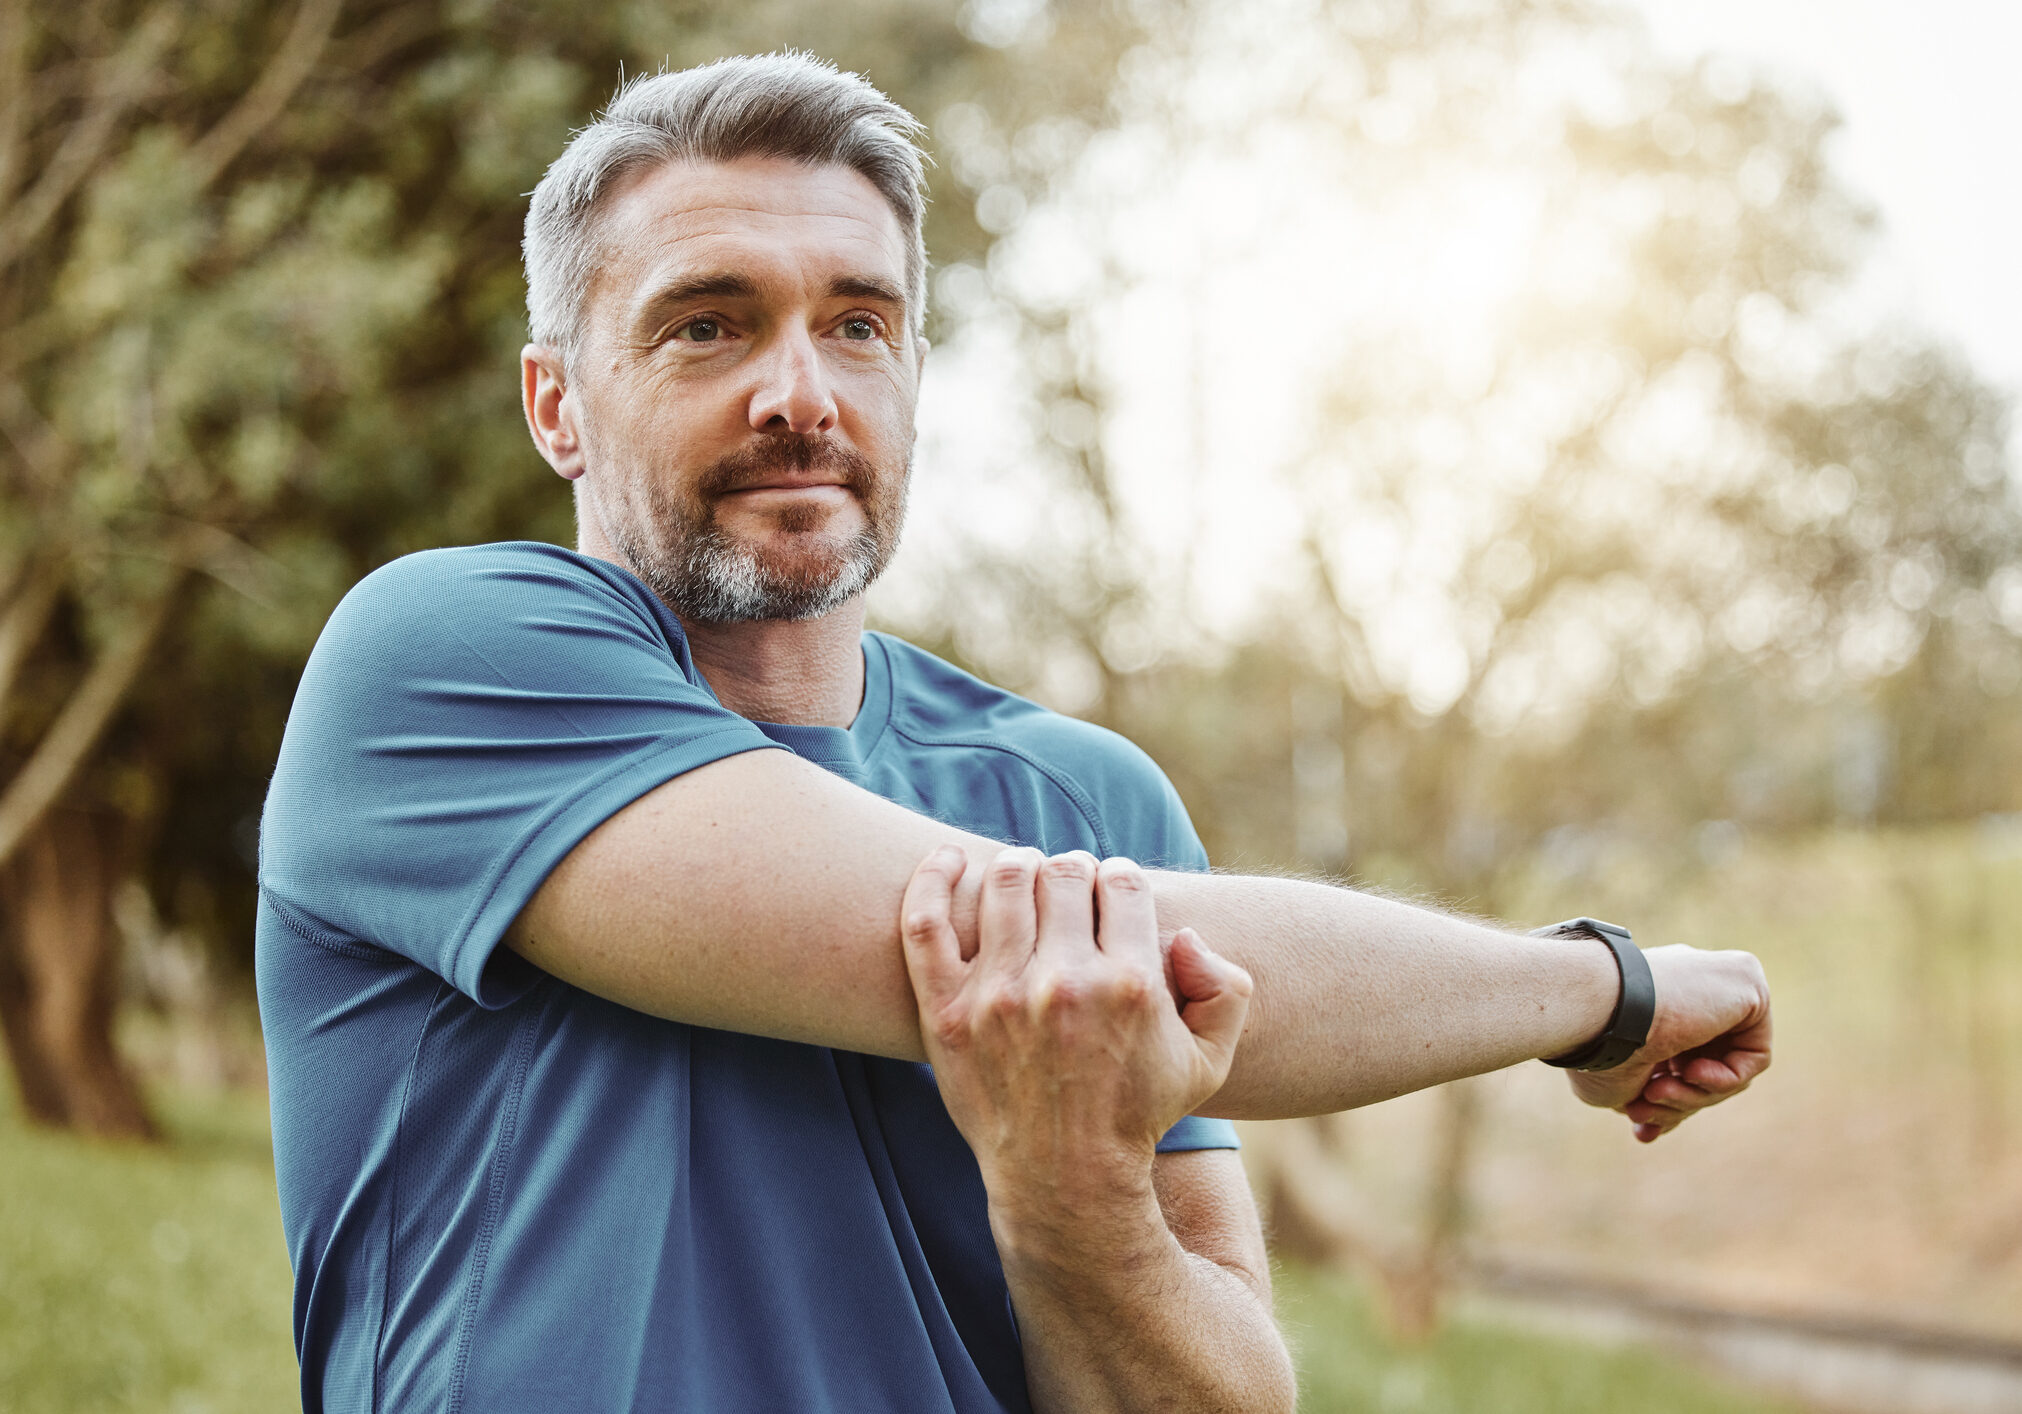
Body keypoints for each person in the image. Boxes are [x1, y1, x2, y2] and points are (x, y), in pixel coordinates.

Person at [256, 52, 1773, 1414]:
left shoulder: (1084, 791)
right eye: (707, 326)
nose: (801, 393)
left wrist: (1074, 1198)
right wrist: (1604, 987)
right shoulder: (436, 663)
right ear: (555, 404)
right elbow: (1082, 953)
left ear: (912, 375)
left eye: (858, 325)